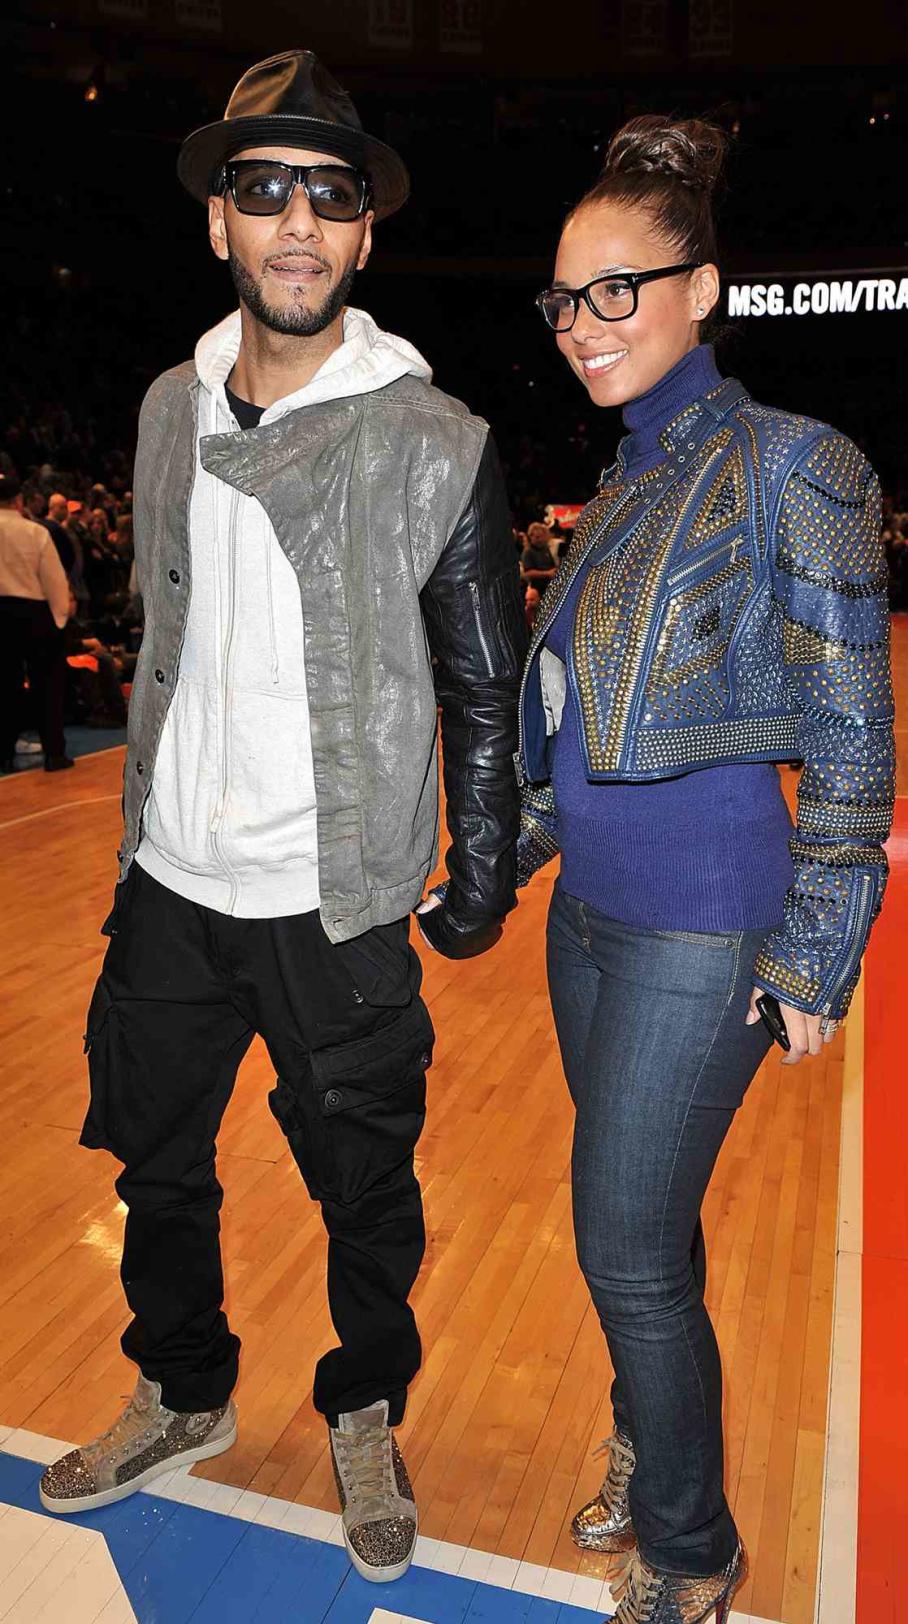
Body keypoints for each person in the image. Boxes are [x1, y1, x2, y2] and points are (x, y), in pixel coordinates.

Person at [39, 50, 526, 1588]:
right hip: (174, 882)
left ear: (365, 236)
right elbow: (167, 633)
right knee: (155, 1167)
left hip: (339, 898)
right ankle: (182, 1389)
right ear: (220, 227)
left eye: (329, 194)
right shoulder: (169, 409)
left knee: (366, 1188)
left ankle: (365, 1404)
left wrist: (487, 856)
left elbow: (484, 682)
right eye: (265, 191)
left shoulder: (434, 437)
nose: (298, 222)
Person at [516, 117, 894, 1622]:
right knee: (643, 1230)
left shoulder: (799, 463)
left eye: (621, 290)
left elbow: (855, 724)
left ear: (704, 288)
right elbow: (587, 718)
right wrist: (505, 852)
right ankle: (650, 1438)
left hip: (704, 923)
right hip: (591, 918)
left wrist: (820, 939)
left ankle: (691, 1550)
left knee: (621, 1240)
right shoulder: (621, 484)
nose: (584, 324)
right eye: (565, 299)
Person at [0, 471, 73, 773]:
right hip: (33, 612)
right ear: (18, 500)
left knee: (4, 685)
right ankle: (54, 753)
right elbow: (54, 580)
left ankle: (3, 752)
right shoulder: (35, 532)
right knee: (47, 685)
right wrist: (59, 618)